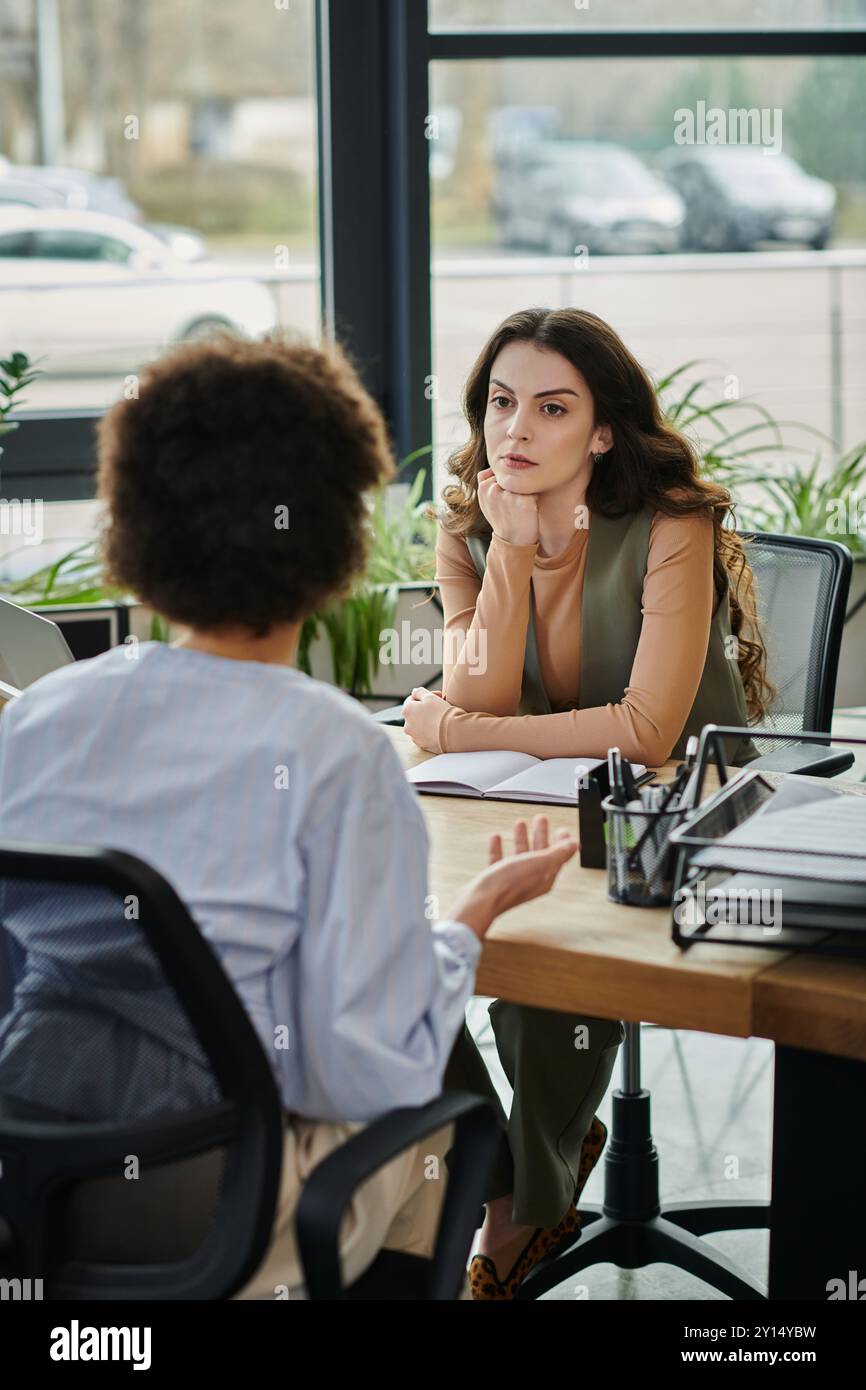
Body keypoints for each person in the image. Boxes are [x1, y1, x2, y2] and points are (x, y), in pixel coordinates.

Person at [0, 330, 579, 1301]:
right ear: (337, 547)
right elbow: (359, 1072)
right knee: (438, 1128)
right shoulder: (338, 753)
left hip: (26, 1186)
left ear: (132, 529)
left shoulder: (44, 714)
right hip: (203, 1205)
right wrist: (464, 923)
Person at [402, 306, 774, 1299]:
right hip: (526, 800)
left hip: (682, 812)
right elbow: (478, 689)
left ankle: (517, 1210)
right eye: (498, 403)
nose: (513, 431)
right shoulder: (466, 526)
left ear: (600, 430)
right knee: (389, 938)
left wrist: (456, 731)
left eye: (550, 408)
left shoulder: (669, 524)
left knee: (540, 969)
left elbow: (647, 730)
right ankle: (521, 1165)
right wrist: (512, 558)